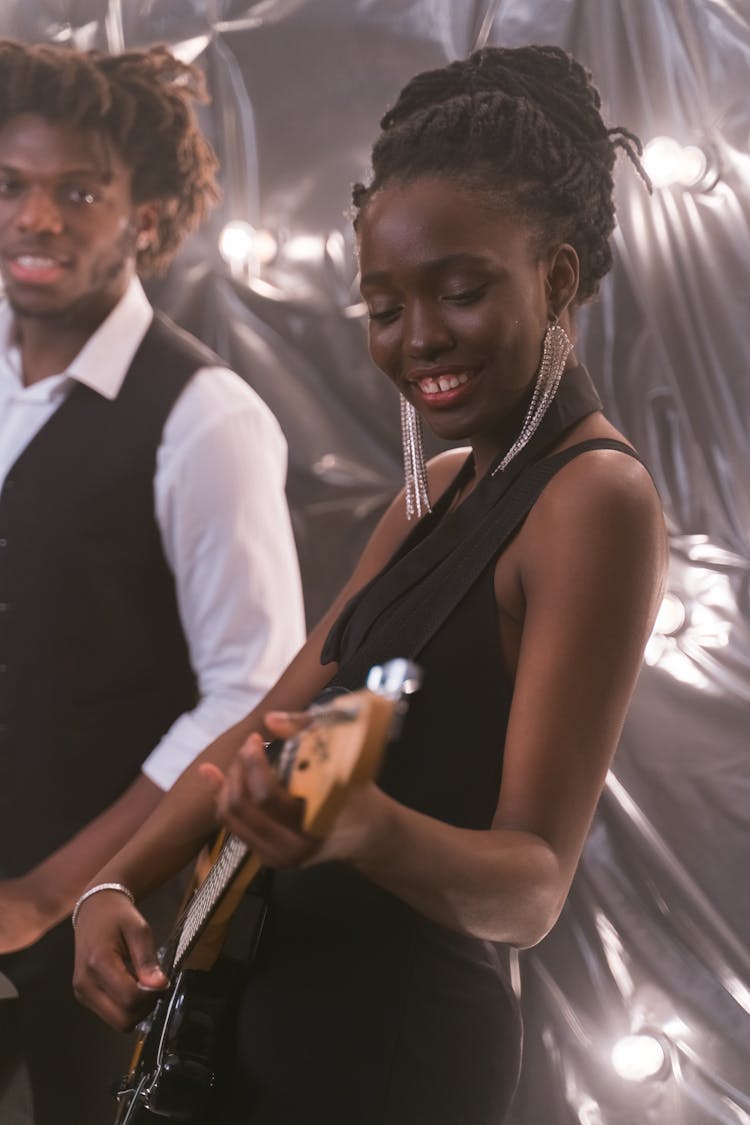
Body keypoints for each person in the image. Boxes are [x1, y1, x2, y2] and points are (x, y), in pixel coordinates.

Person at [72, 43, 668, 1125]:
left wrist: (361, 828)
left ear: (561, 278)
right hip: (269, 1021)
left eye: (462, 289)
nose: (419, 338)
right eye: (384, 306)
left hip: (393, 1058)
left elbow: (532, 889)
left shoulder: (597, 501)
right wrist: (113, 883)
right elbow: (270, 721)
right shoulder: (439, 485)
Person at [0, 39, 306, 1125]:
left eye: (77, 191)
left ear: (147, 212)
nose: (36, 218)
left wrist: (58, 888)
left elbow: (252, 693)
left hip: (97, 927)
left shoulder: (206, 417)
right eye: (11, 185)